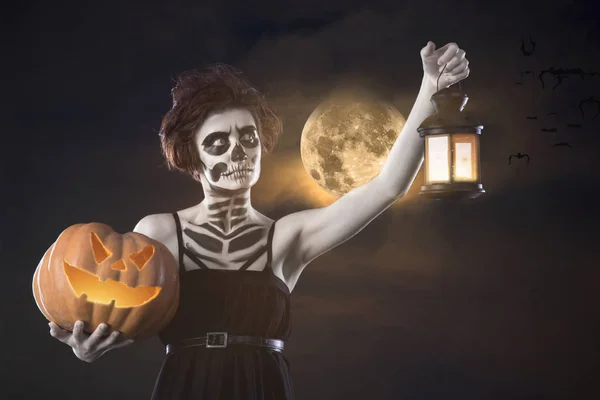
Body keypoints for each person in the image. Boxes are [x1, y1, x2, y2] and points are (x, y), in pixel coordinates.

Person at [48, 41, 470, 399]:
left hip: (263, 386)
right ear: (194, 162)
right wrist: (86, 348)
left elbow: (386, 187)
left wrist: (429, 91)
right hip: (186, 385)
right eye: (218, 142)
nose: (238, 151)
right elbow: (123, 312)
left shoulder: (289, 238)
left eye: (247, 138)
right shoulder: (159, 233)